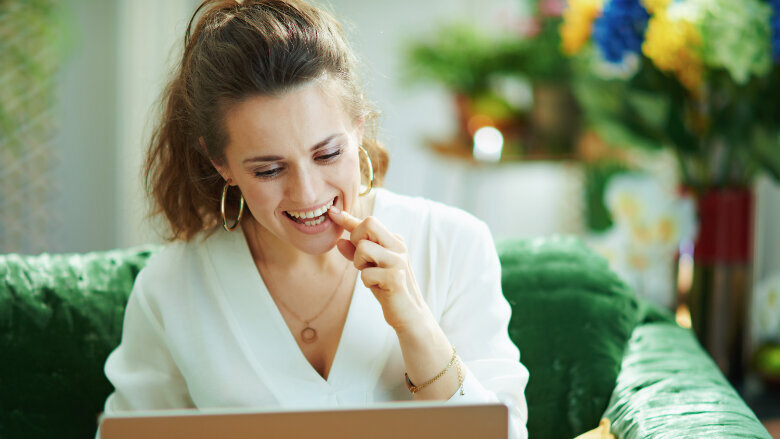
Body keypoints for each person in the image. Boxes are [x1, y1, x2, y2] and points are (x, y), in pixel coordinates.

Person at [101, 0, 529, 437]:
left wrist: (416, 325)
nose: (307, 193)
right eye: (268, 169)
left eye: (327, 154)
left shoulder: (453, 243)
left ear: (358, 127)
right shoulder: (171, 286)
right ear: (220, 163)